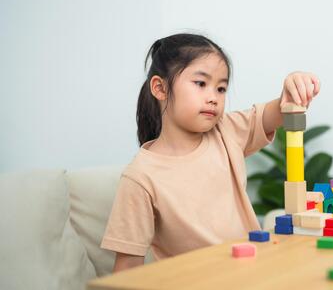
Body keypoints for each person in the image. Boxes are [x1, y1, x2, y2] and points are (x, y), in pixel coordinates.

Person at [100, 33, 320, 272]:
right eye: (201, 84)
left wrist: (292, 89)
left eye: (221, 88)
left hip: (256, 274)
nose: (213, 98)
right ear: (160, 88)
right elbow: (127, 267)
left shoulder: (226, 130)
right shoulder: (140, 177)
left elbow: (275, 111)